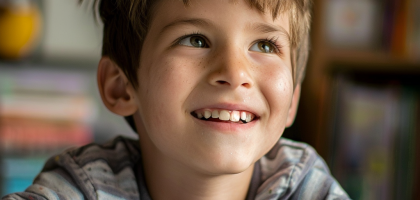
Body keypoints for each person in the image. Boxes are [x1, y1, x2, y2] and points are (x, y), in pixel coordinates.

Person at [2, 0, 350, 199]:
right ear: (121, 87)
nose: (235, 72)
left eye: (264, 45)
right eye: (195, 39)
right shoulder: (87, 185)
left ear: (291, 101)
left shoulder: (302, 185)